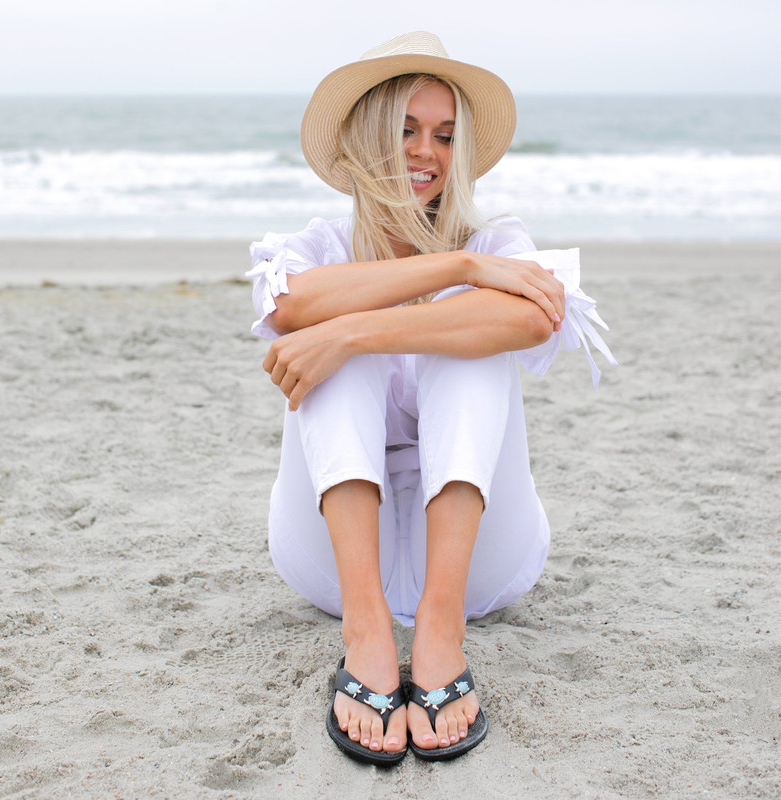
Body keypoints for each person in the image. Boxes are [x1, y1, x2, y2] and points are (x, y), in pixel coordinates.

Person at [247, 31, 615, 765]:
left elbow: (531, 316)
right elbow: (292, 309)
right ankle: (368, 632)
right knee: (340, 341)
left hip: (480, 562)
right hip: (335, 559)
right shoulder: (316, 249)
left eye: (445, 135)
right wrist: (459, 265)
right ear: (364, 141)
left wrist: (363, 327)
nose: (426, 153)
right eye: (406, 130)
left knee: (455, 341)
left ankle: (442, 633)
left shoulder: (499, 240)